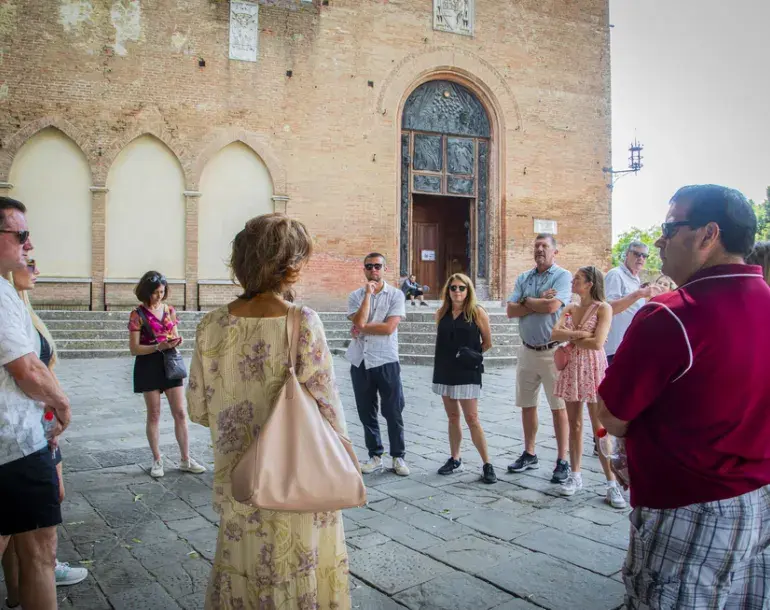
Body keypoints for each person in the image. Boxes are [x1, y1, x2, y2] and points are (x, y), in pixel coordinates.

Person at [598, 184, 770, 609]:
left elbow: (613, 414)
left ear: (709, 235)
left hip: (687, 508)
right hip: (760, 501)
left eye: (670, 227)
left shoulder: (671, 315)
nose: (660, 240)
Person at [187, 213, 350, 609]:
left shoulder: (211, 324)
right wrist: (343, 448)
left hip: (240, 478)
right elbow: (327, 404)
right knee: (300, 566)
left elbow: (197, 408)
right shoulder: (303, 322)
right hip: (301, 476)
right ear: (290, 266)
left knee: (243, 563)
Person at [1, 259, 88, 607]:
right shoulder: (5, 299)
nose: (33, 265)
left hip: (37, 426)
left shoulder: (21, 306)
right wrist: (62, 405)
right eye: (27, 256)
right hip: (19, 438)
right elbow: (29, 369)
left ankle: (18, 591)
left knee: (28, 528)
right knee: (30, 537)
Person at [0, 196, 71, 610]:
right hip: (15, 445)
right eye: (21, 235)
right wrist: (62, 403)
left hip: (15, 445)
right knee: (41, 554)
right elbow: (26, 369)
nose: (29, 245)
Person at [550, 266, 625, 508]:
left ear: (590, 283)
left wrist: (573, 335)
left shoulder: (604, 308)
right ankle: (576, 475)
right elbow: (554, 332)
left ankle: (611, 483)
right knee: (575, 424)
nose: (573, 281)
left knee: (600, 428)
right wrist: (581, 334)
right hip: (572, 367)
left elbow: (597, 343)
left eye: (578, 279)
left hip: (593, 367)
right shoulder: (571, 307)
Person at [506, 234, 572, 483]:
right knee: (527, 404)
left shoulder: (562, 276)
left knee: (559, 407)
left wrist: (529, 301)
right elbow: (511, 310)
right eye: (536, 246)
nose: (540, 250)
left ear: (555, 251)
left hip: (552, 351)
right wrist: (537, 301)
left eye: (545, 246)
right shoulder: (524, 277)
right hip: (526, 350)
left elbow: (553, 307)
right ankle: (529, 452)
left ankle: (562, 459)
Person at [127, 271, 205, 478]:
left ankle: (185, 459)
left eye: (162, 292)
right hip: (148, 364)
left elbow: (176, 335)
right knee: (154, 414)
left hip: (170, 362)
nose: (159, 296)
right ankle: (157, 460)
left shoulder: (169, 310)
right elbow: (134, 349)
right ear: (146, 293)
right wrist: (157, 347)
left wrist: (176, 342)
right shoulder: (137, 314)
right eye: (155, 293)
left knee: (180, 412)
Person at [347, 253, 409, 476]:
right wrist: (367, 295)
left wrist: (361, 327)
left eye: (378, 266)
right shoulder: (355, 296)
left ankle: (398, 457)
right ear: (364, 269)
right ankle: (375, 456)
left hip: (386, 359)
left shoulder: (396, 295)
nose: (374, 270)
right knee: (366, 411)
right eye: (369, 266)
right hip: (360, 360)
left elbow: (389, 328)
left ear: (385, 268)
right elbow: (359, 320)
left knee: (393, 410)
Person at [432, 273, 496, 484]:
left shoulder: (477, 312)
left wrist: (471, 357)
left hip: (467, 371)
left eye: (461, 288)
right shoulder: (442, 312)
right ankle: (455, 458)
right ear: (447, 291)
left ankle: (487, 464)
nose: (457, 291)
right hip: (444, 370)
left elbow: (487, 342)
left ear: (468, 291)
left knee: (472, 419)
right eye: (453, 288)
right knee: (452, 417)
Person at [604, 241, 663, 366]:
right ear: (627, 254)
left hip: (629, 344)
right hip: (615, 347)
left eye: (644, 256)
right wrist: (639, 294)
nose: (640, 258)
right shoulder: (616, 274)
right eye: (636, 254)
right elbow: (609, 308)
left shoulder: (635, 278)